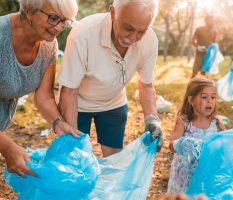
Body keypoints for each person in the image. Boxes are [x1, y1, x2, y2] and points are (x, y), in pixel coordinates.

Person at [58, 0, 163, 157]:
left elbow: (146, 85)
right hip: (78, 103)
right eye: (128, 28)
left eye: (141, 31)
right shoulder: (83, 34)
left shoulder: (150, 40)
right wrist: (73, 139)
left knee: (114, 158)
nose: (133, 37)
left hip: (114, 102)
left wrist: (152, 119)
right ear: (113, 13)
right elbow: (69, 91)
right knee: (75, 156)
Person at [0, 0, 81, 177]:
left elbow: (44, 96)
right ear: (29, 10)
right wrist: (7, 147)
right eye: (53, 18)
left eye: (65, 21)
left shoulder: (49, 45)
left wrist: (58, 123)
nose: (59, 27)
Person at [167, 77, 225, 193]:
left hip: (206, 173)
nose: (210, 101)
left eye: (213, 97)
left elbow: (227, 142)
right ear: (191, 100)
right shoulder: (184, 122)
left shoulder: (216, 123)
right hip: (184, 176)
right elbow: (171, 146)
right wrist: (181, 144)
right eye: (204, 97)